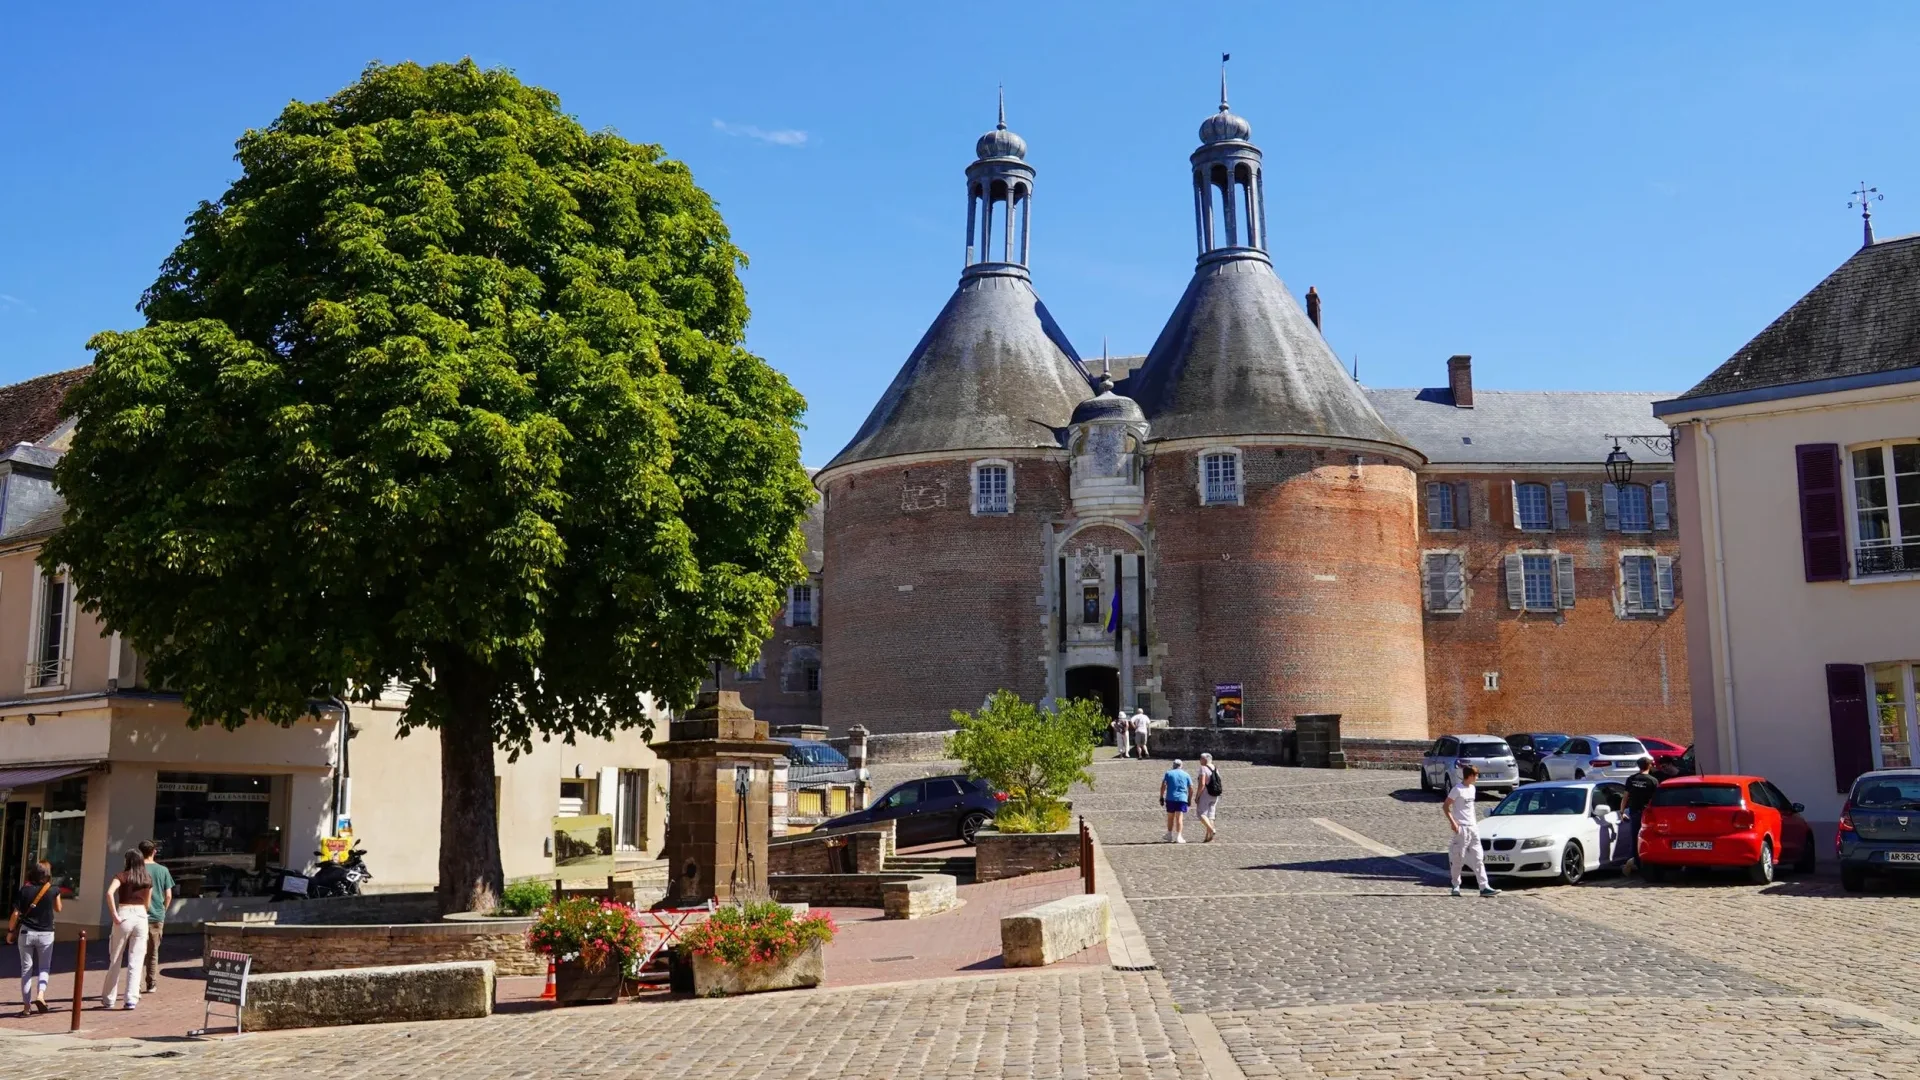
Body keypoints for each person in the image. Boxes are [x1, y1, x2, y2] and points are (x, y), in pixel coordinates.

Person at [102, 849, 154, 1010]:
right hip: (141, 916)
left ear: (128, 861)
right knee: (136, 960)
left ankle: (109, 998)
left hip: (124, 913)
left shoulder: (122, 876)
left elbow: (109, 893)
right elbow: (148, 903)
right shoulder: (147, 879)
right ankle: (131, 999)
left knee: (115, 958)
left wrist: (115, 915)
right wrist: (142, 911)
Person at [9, 861, 60, 1015]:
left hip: (26, 933)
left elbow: (16, 914)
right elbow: (59, 908)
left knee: (26, 969)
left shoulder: (24, 890)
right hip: (46, 934)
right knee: (44, 967)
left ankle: (26, 1008)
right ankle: (41, 995)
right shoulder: (53, 890)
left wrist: (11, 931)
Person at [1443, 763, 1497, 898]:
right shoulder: (1457, 789)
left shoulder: (1472, 788)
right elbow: (1445, 806)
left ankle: (1484, 887)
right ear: (1471, 775)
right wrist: (1453, 823)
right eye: (1476, 775)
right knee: (1458, 858)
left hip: (1473, 827)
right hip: (1462, 828)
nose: (1477, 777)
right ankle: (1455, 885)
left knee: (1478, 858)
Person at [139, 840, 174, 996]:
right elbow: (168, 895)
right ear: (154, 851)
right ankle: (151, 983)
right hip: (156, 916)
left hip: (138, 914)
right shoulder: (163, 870)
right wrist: (163, 911)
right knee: (153, 952)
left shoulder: (136, 870)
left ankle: (136, 985)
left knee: (137, 951)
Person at [1622, 756, 1660, 872]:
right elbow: (1656, 799)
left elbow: (1625, 797)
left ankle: (1635, 862)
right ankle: (1645, 863)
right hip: (1647, 813)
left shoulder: (1631, 779)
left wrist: (1621, 811)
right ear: (1649, 765)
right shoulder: (1653, 781)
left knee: (1635, 838)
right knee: (1648, 838)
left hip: (1634, 811)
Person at [1160, 759, 1192, 843]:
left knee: (1170, 817)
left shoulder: (1168, 773)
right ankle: (1179, 836)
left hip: (1170, 798)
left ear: (1173, 765)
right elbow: (1191, 788)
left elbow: (1163, 785)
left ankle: (1169, 834)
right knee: (1179, 818)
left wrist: (1161, 797)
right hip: (1182, 798)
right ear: (1181, 765)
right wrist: (1189, 799)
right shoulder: (1186, 774)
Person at [1194, 752, 1222, 842]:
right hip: (1215, 794)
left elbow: (1202, 784)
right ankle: (1208, 837)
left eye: (1201, 758)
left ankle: (1211, 829)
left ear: (1205, 760)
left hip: (1206, 794)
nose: (1199, 760)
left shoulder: (1203, 768)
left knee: (1201, 813)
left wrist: (1197, 796)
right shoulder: (1215, 768)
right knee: (1210, 815)